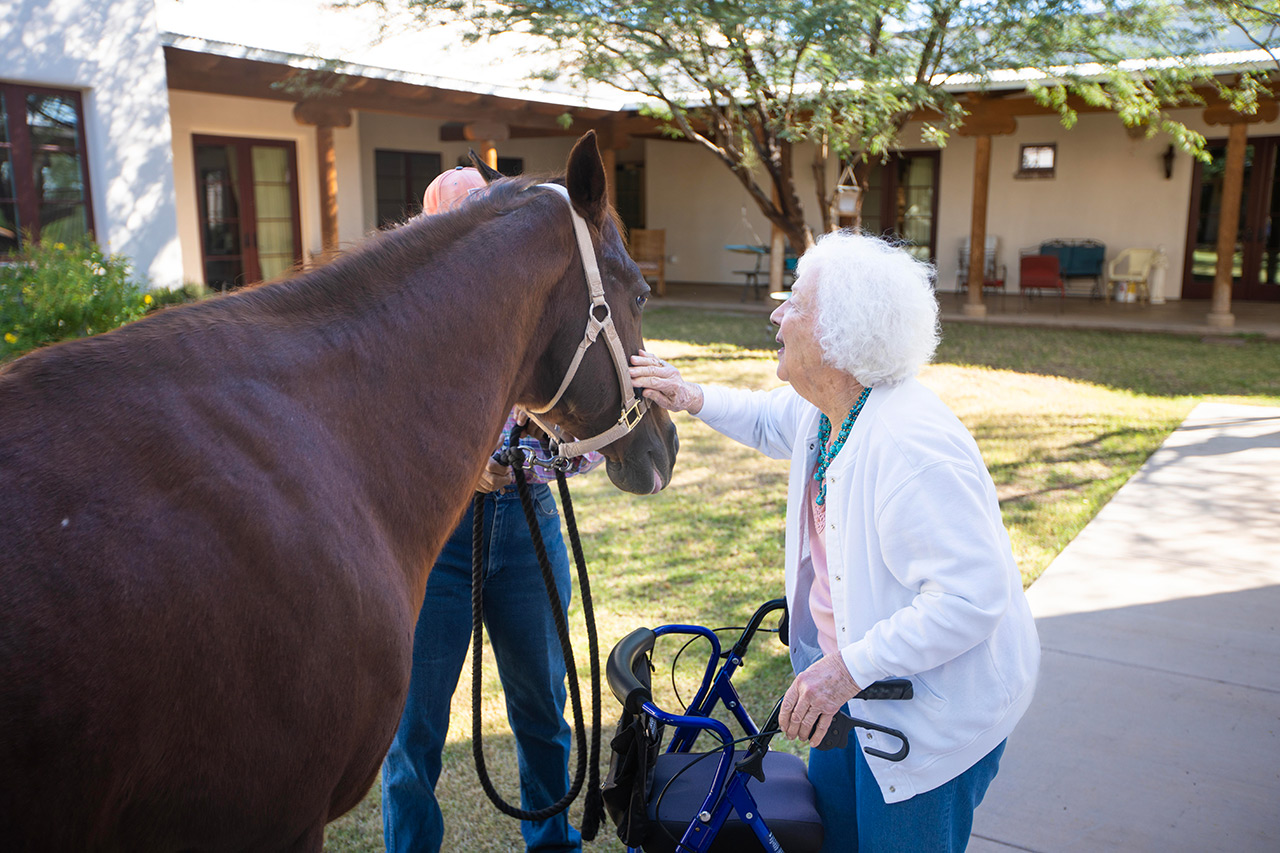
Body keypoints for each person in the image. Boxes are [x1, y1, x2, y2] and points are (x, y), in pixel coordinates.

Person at [629, 230, 1040, 852]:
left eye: (793, 301)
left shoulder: (910, 447)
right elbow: (770, 419)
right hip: (856, 703)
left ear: (838, 334)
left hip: (924, 719)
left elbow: (969, 599)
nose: (776, 313)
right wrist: (692, 397)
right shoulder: (833, 411)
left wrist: (845, 670)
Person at [381, 166, 601, 853]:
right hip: (439, 539)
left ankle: (551, 843)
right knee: (413, 728)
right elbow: (378, 437)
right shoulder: (399, 321)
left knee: (543, 709)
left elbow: (589, 437)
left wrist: (557, 435)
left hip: (530, 524)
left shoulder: (536, 308)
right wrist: (455, 465)